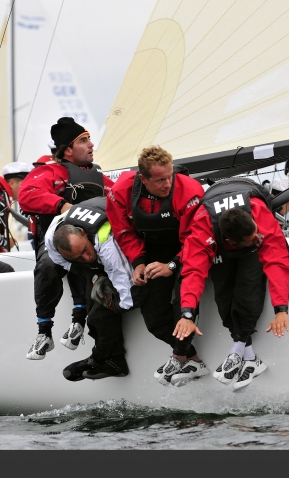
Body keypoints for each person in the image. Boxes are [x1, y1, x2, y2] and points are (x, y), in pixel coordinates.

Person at [106, 145, 209, 387]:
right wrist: (139, 262)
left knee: (181, 301)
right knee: (153, 319)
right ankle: (192, 359)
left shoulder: (189, 191)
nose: (167, 184)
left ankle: (179, 357)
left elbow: (197, 241)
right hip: (152, 252)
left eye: (170, 177)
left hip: (188, 250)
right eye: (160, 180)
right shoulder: (122, 190)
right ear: (143, 179)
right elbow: (123, 232)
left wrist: (172, 265)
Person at [178, 177, 289, 391]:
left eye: (256, 233)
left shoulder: (258, 213)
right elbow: (193, 271)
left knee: (247, 291)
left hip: (245, 201)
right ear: (231, 242)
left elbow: (278, 262)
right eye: (253, 239)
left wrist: (281, 309)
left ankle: (238, 349)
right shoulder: (203, 227)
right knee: (224, 299)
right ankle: (250, 359)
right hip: (218, 236)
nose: (258, 238)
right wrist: (187, 314)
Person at [19, 117, 115, 360]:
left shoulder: (99, 177)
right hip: (58, 244)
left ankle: (95, 340)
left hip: (95, 246)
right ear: (67, 150)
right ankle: (44, 332)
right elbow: (27, 195)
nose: (91, 144)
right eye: (83, 140)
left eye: (89, 139)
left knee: (93, 266)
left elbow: (123, 194)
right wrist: (61, 204)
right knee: (48, 265)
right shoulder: (49, 172)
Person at [45, 197, 145, 381]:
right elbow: (62, 262)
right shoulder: (51, 239)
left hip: (138, 250)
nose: (87, 257)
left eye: (85, 250)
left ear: (83, 233)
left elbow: (130, 297)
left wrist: (113, 305)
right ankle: (113, 360)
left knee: (100, 315)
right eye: (78, 256)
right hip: (104, 256)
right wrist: (93, 274)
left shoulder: (106, 245)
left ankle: (99, 358)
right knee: (93, 304)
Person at [0, 162, 34, 250]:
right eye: (25, 184)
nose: (28, 188)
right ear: (11, 183)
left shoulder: (1, 196)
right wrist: (6, 242)